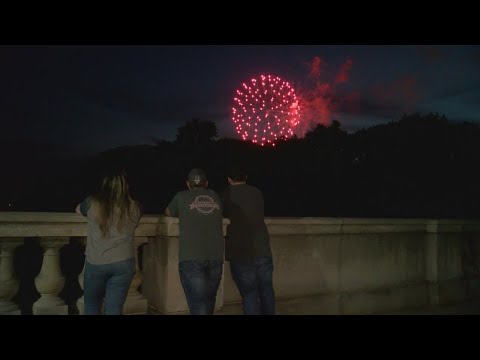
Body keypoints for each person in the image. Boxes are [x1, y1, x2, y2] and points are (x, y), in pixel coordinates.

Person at [75, 170, 143, 315]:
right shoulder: (135, 207)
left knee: (92, 307)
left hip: (97, 262)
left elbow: (77, 209)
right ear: (126, 187)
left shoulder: (92, 202)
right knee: (114, 309)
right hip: (124, 263)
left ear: (105, 185)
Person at [165, 168, 224, 315]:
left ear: (188, 184)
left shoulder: (181, 196)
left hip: (191, 257)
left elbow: (168, 212)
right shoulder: (215, 196)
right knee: (209, 301)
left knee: (198, 305)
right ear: (206, 183)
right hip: (215, 257)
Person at [222, 165, 275, 315]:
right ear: (246, 177)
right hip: (262, 249)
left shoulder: (227, 193)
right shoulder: (257, 192)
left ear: (229, 179)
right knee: (267, 291)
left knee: (250, 294)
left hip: (242, 251)